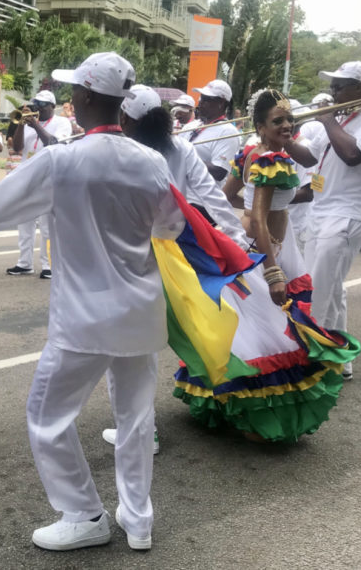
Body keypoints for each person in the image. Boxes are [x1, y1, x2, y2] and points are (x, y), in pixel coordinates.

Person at [0, 52, 183, 553]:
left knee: (48, 416)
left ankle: (84, 513)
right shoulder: (152, 161)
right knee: (134, 418)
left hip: (85, 318)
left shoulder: (64, 159)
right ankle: (138, 519)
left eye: (74, 92)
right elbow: (170, 227)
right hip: (141, 311)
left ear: (84, 97)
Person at [172, 89, 359, 442]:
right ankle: (253, 413)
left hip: (256, 246)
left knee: (252, 328)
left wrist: (239, 224)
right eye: (278, 121)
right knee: (268, 331)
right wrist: (272, 270)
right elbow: (258, 218)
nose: (287, 125)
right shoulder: (269, 158)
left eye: (290, 119)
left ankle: (234, 404)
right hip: (266, 251)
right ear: (260, 125)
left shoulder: (252, 152)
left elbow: (230, 197)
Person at [100, 84, 249, 452]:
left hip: (128, 257)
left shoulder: (121, 152)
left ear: (128, 119)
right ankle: (141, 428)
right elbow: (211, 195)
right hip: (170, 256)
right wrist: (238, 240)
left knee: (123, 348)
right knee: (146, 343)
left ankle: (137, 431)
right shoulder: (180, 148)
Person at [283, 61, 361, 381]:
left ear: (360, 89)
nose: (333, 92)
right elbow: (309, 158)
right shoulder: (341, 119)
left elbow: (353, 155)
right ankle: (340, 361)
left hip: (349, 212)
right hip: (323, 208)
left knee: (319, 288)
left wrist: (329, 119)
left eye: (340, 85)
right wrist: (286, 138)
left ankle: (313, 361)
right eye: (332, 85)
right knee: (329, 287)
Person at [7, 90, 72, 278]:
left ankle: (48, 265)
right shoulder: (27, 123)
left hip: (49, 179)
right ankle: (24, 263)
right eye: (36, 104)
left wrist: (35, 125)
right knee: (24, 223)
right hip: (28, 178)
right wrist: (21, 124)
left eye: (42, 105)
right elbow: (18, 148)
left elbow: (53, 143)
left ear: (52, 106)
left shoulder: (62, 122)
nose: (38, 108)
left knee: (47, 226)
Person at [287, 93, 334, 255]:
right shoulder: (276, 146)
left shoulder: (306, 147)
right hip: (276, 223)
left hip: (296, 227)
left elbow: (309, 193)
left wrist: (271, 199)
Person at [189, 80, 241, 186]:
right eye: (201, 97)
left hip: (203, 199)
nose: (200, 102)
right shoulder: (192, 125)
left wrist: (186, 158)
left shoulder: (228, 131)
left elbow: (219, 172)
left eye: (206, 99)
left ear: (221, 103)